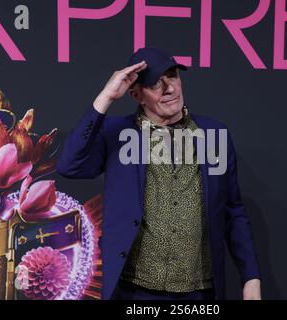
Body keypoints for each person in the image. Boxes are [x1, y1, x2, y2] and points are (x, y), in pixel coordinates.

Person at [56, 47, 261, 300]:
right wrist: (106, 97)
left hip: (199, 294)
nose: (170, 89)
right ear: (137, 94)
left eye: (172, 76)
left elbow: (233, 212)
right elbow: (69, 165)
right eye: (155, 84)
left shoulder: (214, 135)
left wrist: (250, 277)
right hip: (134, 292)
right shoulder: (116, 133)